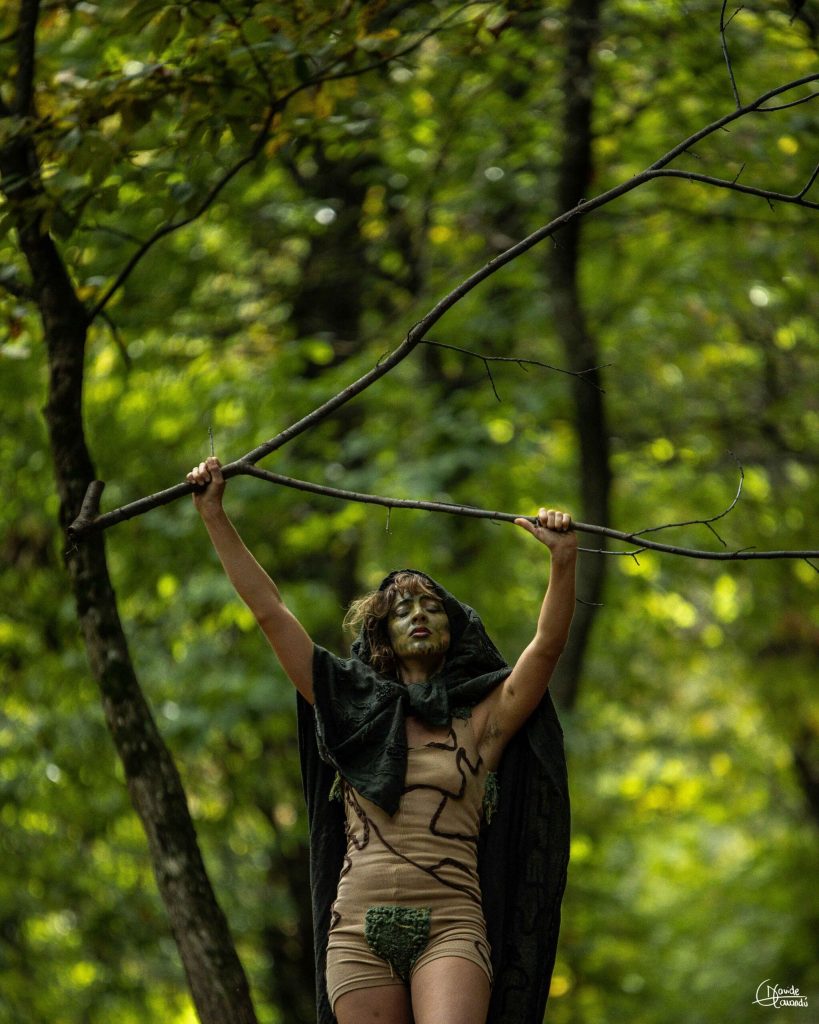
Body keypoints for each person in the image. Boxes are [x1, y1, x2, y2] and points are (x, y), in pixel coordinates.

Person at [187, 455, 578, 1024]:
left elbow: (544, 646)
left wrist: (562, 561)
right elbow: (270, 613)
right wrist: (214, 516)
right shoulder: (350, 711)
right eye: (402, 609)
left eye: (430, 606)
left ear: (453, 627)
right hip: (356, 932)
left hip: (451, 924)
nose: (418, 614)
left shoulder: (483, 719)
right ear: (383, 637)